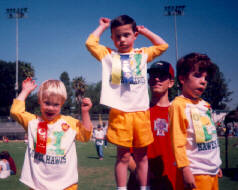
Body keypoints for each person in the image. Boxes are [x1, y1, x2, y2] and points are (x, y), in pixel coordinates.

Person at [86, 15, 168, 190]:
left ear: (134, 35)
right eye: (117, 36)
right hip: (120, 113)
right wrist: (102, 27)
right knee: (123, 157)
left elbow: (162, 45)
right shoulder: (109, 55)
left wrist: (145, 32)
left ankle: (144, 187)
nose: (122, 40)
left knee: (142, 157)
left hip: (141, 113)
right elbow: (90, 44)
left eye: (126, 35)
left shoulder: (142, 54)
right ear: (112, 38)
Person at [10, 77, 93, 190]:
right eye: (47, 103)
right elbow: (15, 111)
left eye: (56, 105)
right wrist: (25, 91)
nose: (50, 108)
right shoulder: (33, 122)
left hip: (66, 185)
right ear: (39, 101)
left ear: (62, 104)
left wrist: (85, 112)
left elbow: (85, 136)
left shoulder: (69, 122)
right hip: (38, 185)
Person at [169, 53, 223, 190]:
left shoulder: (205, 105)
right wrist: (185, 169)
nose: (203, 81)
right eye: (198, 75)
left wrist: (216, 165)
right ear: (182, 79)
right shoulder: (178, 105)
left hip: (211, 171)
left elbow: (211, 137)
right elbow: (178, 141)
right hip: (195, 172)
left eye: (206, 77)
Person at [127, 61, 183, 190]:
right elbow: (125, 153)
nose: (156, 79)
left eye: (162, 76)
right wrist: (139, 172)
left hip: (173, 182)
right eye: (153, 76)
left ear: (171, 83)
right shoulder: (137, 111)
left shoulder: (180, 112)